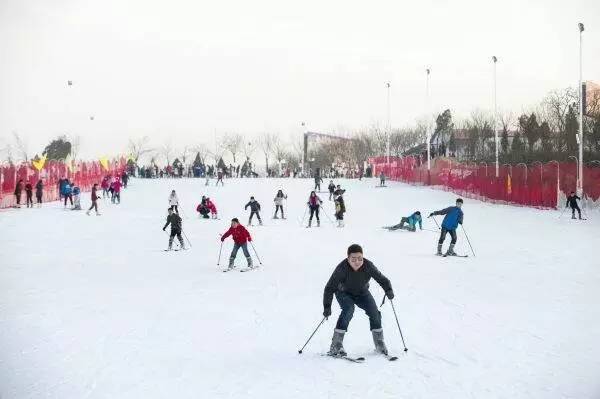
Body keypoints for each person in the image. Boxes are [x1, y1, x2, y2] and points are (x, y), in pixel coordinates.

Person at [323, 244, 394, 356]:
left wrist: (388, 289)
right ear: (348, 259)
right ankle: (336, 345)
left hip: (362, 292)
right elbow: (329, 288)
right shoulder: (341, 269)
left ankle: (379, 343)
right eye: (353, 259)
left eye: (360, 259)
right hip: (343, 293)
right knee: (348, 310)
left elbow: (382, 279)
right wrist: (327, 307)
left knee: (374, 312)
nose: (357, 262)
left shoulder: (368, 266)